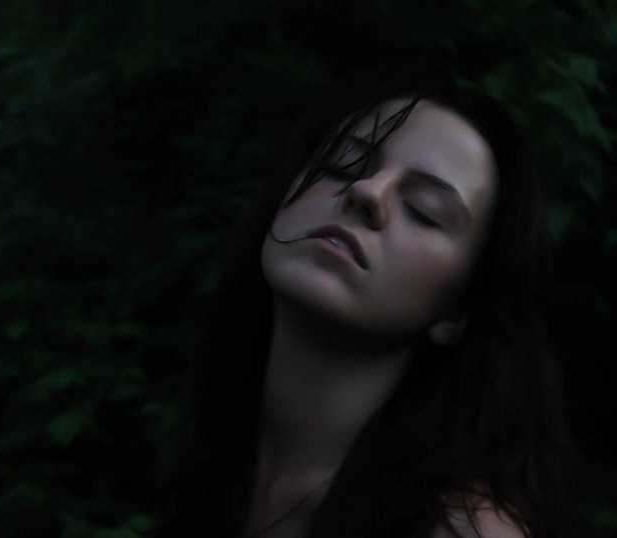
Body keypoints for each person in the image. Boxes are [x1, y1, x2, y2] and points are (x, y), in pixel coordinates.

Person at [157, 68, 581, 538]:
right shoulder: (214, 462)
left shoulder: (463, 530)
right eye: (344, 164)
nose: (366, 191)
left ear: (458, 310)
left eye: (424, 210)